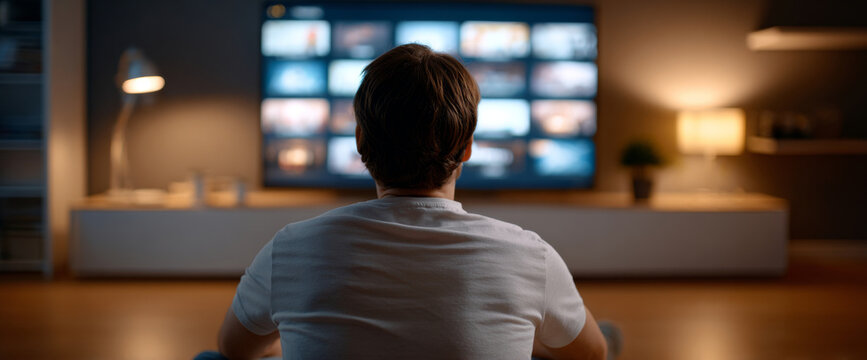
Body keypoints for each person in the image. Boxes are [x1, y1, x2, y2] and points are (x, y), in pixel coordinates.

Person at [211, 44, 608, 360]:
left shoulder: (289, 249)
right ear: (467, 148)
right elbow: (592, 354)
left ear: (360, 141)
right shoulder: (531, 256)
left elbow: (233, 349)